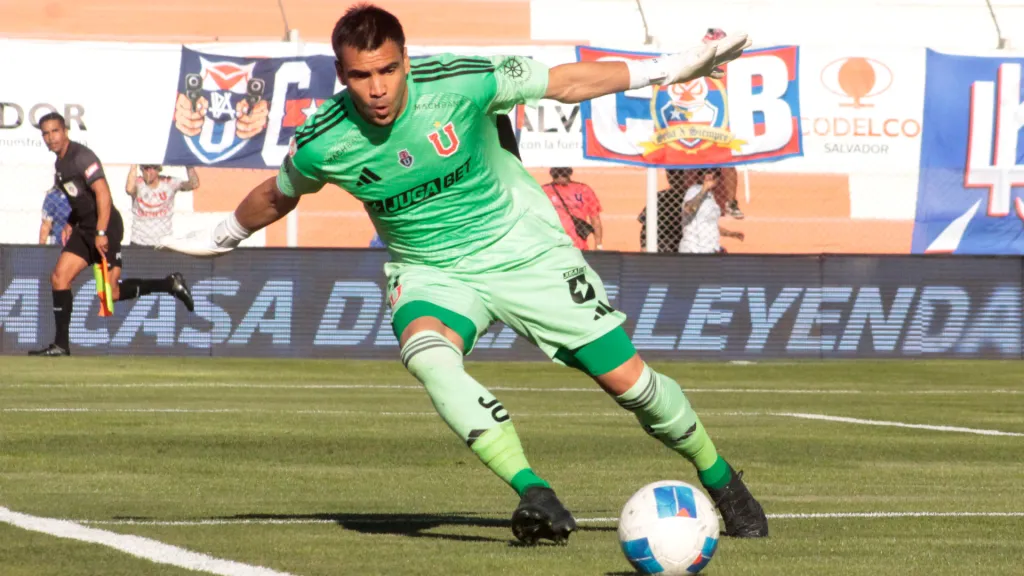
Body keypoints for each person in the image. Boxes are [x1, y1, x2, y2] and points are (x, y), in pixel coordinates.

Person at [159, 3, 766, 545]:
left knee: (631, 385)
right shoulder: (325, 139)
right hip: (430, 271)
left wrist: (667, 68)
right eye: (361, 76)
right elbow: (281, 192)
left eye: (388, 70)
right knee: (428, 355)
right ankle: (534, 491)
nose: (376, 89)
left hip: (523, 250)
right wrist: (222, 235)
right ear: (341, 75)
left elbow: (567, 82)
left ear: (406, 61)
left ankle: (720, 477)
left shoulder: (460, 81)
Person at [28, 112, 196, 357]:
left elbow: (103, 195)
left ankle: (170, 284)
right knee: (59, 278)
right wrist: (71, 222)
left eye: (55, 131)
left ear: (65, 132)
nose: (51, 137)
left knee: (111, 294)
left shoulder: (82, 157)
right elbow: (79, 198)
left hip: (105, 228)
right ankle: (61, 345)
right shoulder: (60, 164)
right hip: (84, 229)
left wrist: (102, 232)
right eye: (46, 133)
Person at [126, 164, 200, 246]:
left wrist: (188, 164)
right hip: (139, 241)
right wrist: (133, 164)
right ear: (142, 169)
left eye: (153, 168)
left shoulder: (169, 183)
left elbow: (194, 184)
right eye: (146, 168)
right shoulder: (138, 183)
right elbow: (129, 189)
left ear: (158, 169)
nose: (149, 172)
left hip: (163, 242)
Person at [678, 168, 745, 253]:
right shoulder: (694, 190)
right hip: (694, 249)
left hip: (709, 249)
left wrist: (730, 233)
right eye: (708, 172)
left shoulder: (711, 197)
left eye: (716, 174)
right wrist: (704, 189)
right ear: (701, 175)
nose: (712, 175)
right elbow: (688, 209)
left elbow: (710, 225)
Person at [542, 167, 603, 250]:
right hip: (553, 246)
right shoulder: (544, 191)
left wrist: (599, 244)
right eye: (557, 174)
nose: (560, 177)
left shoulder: (584, 190)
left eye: (563, 173)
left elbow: (595, 219)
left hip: (576, 247)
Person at [638, 168, 691, 253]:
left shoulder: (691, 197)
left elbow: (644, 222)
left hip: (680, 243)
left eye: (679, 173)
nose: (675, 176)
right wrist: (644, 245)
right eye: (672, 173)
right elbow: (645, 224)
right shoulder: (659, 196)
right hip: (664, 243)